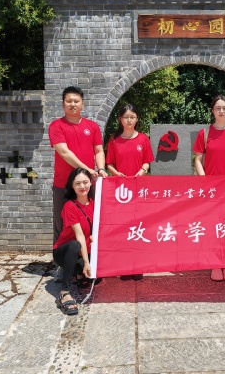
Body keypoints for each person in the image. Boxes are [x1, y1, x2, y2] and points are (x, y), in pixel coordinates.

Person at [193, 94, 225, 282]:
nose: (221, 111)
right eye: (218, 108)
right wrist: (204, 181)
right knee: (213, 225)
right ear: (212, 111)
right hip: (211, 189)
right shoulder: (205, 133)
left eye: (224, 108)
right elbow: (198, 159)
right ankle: (215, 263)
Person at [48, 86, 108, 247]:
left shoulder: (92, 126)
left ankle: (89, 256)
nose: (72, 104)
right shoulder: (56, 126)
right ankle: (60, 257)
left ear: (82, 104)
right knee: (62, 224)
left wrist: (101, 169)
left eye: (76, 101)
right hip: (63, 185)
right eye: (69, 101)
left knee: (91, 222)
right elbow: (64, 152)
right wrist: (87, 170)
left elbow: (99, 151)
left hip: (88, 185)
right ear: (63, 104)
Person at [106, 103, 155, 281]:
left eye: (132, 117)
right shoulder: (114, 140)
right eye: (126, 117)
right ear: (120, 119)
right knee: (123, 227)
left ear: (137, 119)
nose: (129, 120)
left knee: (139, 226)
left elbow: (147, 161)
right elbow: (109, 163)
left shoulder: (143, 139)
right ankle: (125, 264)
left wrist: (142, 170)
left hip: (139, 189)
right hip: (121, 191)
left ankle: (138, 264)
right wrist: (115, 173)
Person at [52, 168, 97, 315]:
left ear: (91, 183)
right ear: (72, 186)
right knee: (75, 245)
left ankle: (79, 272)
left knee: (96, 280)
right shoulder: (70, 206)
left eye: (85, 182)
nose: (82, 186)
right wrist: (87, 263)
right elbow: (79, 236)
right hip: (64, 251)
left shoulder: (95, 204)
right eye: (78, 183)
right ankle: (64, 293)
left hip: (83, 250)